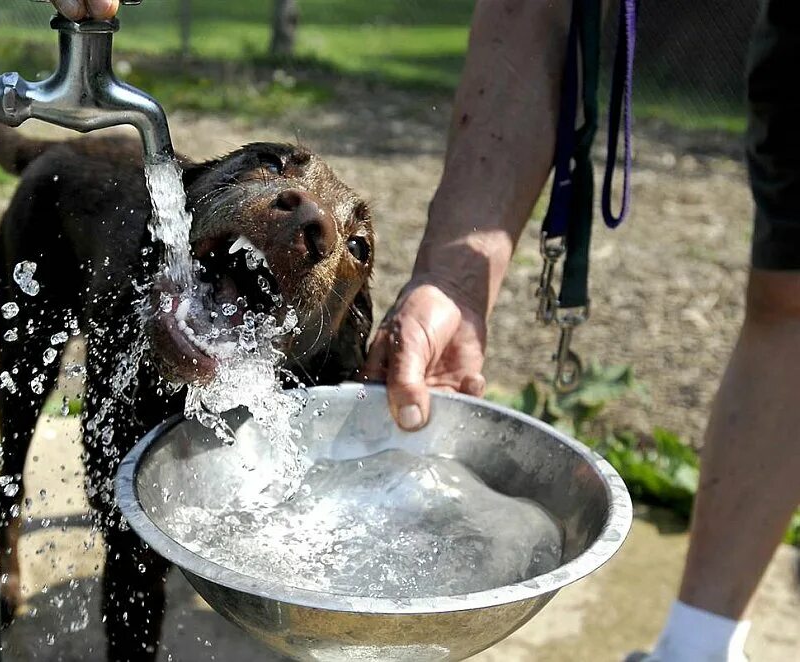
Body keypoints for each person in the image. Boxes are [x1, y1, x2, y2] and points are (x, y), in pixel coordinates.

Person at [51, 1, 799, 660]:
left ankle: (699, 649)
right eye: (275, 166)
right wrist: (459, 283)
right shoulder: (141, 242)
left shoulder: (313, 370)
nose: (313, 219)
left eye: (356, 247)